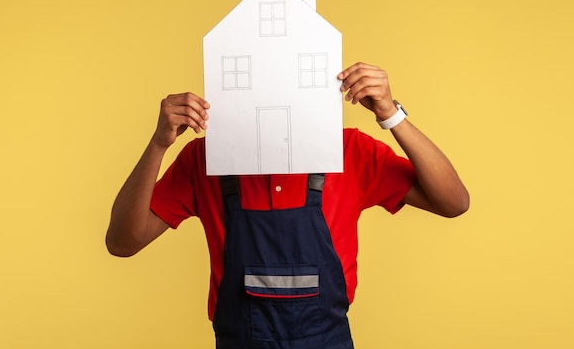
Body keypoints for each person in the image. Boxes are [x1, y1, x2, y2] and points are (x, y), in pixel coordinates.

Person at [106, 62, 470, 349]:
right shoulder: (206, 158)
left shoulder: (349, 152)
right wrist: (158, 143)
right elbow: (123, 242)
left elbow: (454, 202)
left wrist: (391, 114)